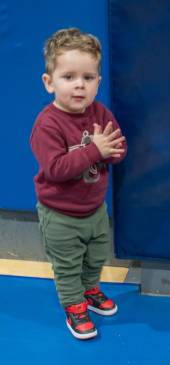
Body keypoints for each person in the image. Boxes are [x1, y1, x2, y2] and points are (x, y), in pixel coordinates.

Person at [30, 28, 127, 340]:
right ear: (49, 83)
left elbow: (116, 146)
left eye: (88, 77)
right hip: (60, 215)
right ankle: (74, 305)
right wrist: (94, 150)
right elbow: (56, 168)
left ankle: (89, 290)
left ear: (98, 82)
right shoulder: (48, 124)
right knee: (68, 266)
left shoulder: (100, 112)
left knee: (97, 255)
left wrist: (113, 152)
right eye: (69, 76)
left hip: (94, 208)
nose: (79, 85)